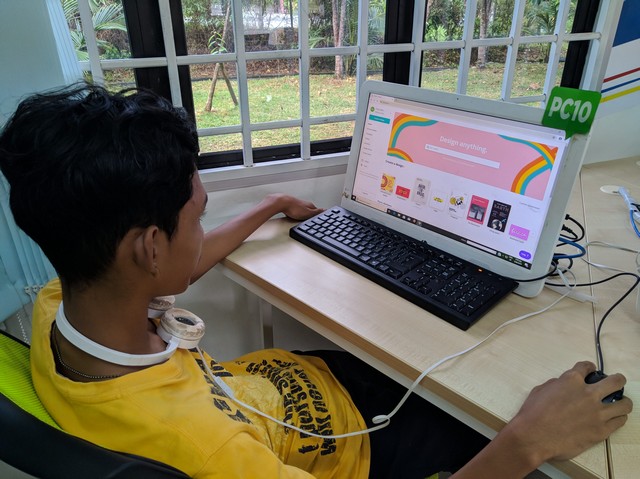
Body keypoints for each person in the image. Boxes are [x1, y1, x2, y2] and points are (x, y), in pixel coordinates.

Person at [0, 83, 632, 479]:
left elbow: (177, 267)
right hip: (360, 448)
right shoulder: (210, 454)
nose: (202, 226)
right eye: (197, 214)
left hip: (308, 384)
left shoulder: (63, 302)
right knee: (499, 416)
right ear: (148, 247)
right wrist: (525, 443)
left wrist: (269, 205)